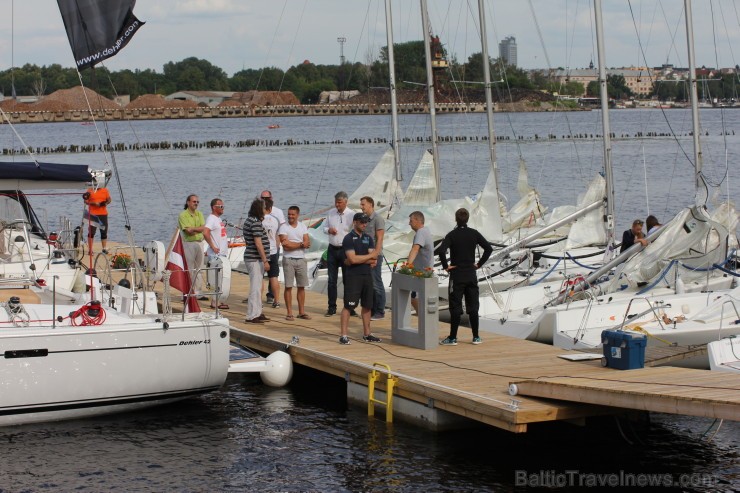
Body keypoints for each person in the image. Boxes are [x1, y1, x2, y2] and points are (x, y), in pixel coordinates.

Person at [436, 207, 493, 346]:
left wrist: (445, 266)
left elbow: (441, 251)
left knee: (455, 306)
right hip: (471, 274)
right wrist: (479, 264)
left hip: (457, 275)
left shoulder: (452, 235)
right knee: (473, 306)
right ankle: (476, 337)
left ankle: (453, 337)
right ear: (467, 219)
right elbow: (489, 248)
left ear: (456, 219)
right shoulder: (474, 233)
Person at [339, 213, 381, 345]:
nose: (364, 224)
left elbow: (374, 260)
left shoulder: (368, 238)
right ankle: (344, 335)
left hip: (367, 276)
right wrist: (364, 258)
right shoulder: (348, 238)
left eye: (366, 222)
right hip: (353, 277)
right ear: (355, 222)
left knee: (367, 306)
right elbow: (352, 259)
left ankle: (367, 334)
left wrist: (358, 260)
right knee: (349, 306)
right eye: (362, 222)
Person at [324, 191, 354, 317]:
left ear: (345, 202)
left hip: (345, 250)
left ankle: (349, 308)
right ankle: (332, 307)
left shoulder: (352, 214)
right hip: (332, 249)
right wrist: (329, 230)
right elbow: (324, 228)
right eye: (336, 202)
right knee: (332, 280)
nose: (337, 205)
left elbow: (355, 231)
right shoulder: (331, 213)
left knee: (348, 280)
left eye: (340, 203)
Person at [279, 205, 311, 320]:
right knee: (288, 286)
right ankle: (289, 313)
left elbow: (307, 242)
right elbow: (285, 246)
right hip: (289, 259)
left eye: (292, 214)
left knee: (301, 286)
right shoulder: (283, 227)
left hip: (301, 259)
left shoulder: (302, 226)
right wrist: (300, 244)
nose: (290, 216)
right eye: (289, 214)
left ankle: (301, 312)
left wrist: (295, 244)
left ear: (297, 215)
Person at [243, 197, 271, 324]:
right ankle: (252, 315)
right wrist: (265, 260)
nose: (265, 210)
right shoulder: (255, 222)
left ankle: (258, 312)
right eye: (264, 207)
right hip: (254, 259)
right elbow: (258, 243)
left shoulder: (250, 220)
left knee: (258, 286)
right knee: (255, 287)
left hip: (254, 258)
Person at [360, 196, 386, 321]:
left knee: (376, 283)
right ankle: (372, 309)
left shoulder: (378, 219)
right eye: (361, 204)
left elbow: (380, 238)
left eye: (363, 204)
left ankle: (380, 311)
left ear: (371, 204)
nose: (361, 206)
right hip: (365, 256)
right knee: (368, 284)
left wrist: (375, 255)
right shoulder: (364, 219)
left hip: (375, 256)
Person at [178, 194, 207, 300]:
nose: (196, 204)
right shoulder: (183, 215)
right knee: (189, 269)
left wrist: (194, 229)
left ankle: (198, 292)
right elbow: (188, 231)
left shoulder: (200, 214)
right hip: (189, 243)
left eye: (197, 202)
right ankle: (186, 293)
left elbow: (204, 228)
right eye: (194, 201)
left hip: (199, 242)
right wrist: (197, 229)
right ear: (188, 202)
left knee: (199, 268)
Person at [406, 210, 434, 314]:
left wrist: (407, 266)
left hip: (421, 272)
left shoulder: (421, 232)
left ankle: (422, 318)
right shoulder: (425, 231)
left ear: (418, 220)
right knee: (416, 298)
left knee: (414, 298)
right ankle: (421, 318)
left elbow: (415, 249)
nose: (409, 223)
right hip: (423, 271)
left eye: (411, 220)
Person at [203, 198, 229, 309]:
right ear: (214, 207)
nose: (223, 208)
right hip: (215, 255)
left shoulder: (218, 219)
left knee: (221, 278)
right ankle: (214, 302)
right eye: (221, 206)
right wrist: (212, 246)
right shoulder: (211, 219)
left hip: (222, 254)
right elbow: (205, 232)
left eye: (223, 206)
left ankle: (219, 300)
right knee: (215, 278)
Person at [261, 190, 285, 305]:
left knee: (269, 276)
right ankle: (276, 300)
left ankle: (273, 297)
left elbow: (281, 232)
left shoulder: (277, 213)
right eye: (263, 198)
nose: (265, 200)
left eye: (267, 198)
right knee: (271, 276)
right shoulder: (269, 218)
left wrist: (278, 244)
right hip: (270, 249)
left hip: (269, 248)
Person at [84, 185, 111, 253]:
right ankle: (90, 250)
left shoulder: (105, 190)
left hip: (103, 214)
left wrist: (106, 203)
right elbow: (86, 201)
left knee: (104, 232)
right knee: (91, 232)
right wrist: (94, 203)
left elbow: (109, 199)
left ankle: (104, 248)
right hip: (93, 214)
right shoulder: (90, 190)